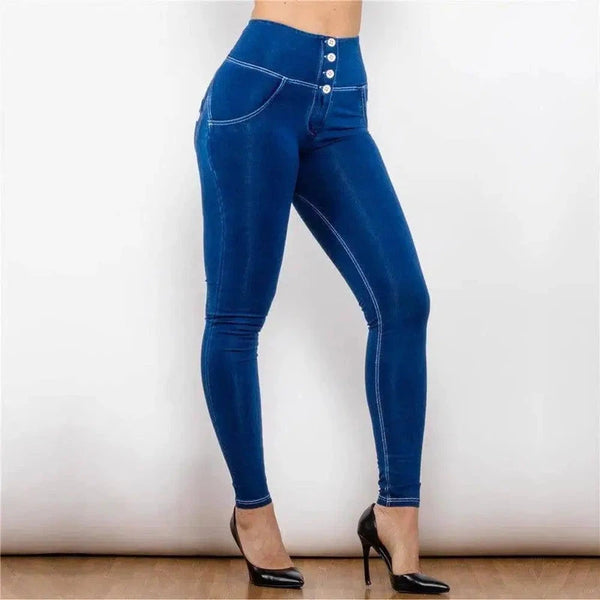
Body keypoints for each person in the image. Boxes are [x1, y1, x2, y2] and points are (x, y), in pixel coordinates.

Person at [193, 0, 450, 594]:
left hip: (344, 102)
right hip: (258, 92)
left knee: (403, 302)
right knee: (236, 318)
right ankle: (252, 514)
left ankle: (396, 517)